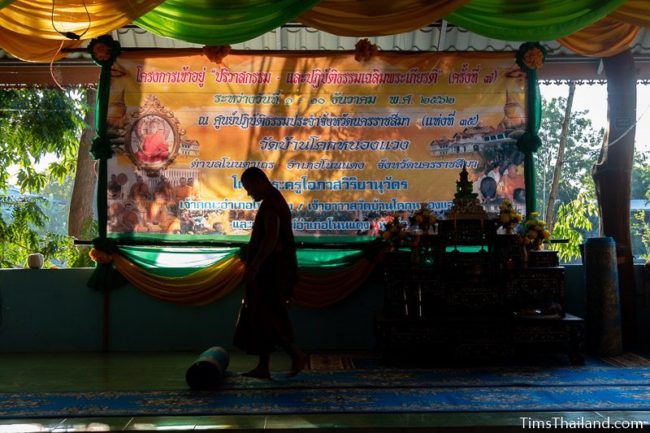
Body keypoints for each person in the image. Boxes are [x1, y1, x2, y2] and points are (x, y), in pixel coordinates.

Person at [233, 167, 306, 379]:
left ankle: (296, 354)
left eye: (249, 188)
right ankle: (263, 366)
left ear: (258, 182)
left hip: (271, 270)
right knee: (262, 318)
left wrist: (255, 264)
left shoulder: (272, 205)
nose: (248, 193)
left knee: (271, 316)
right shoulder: (272, 201)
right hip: (271, 268)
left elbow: (271, 239)